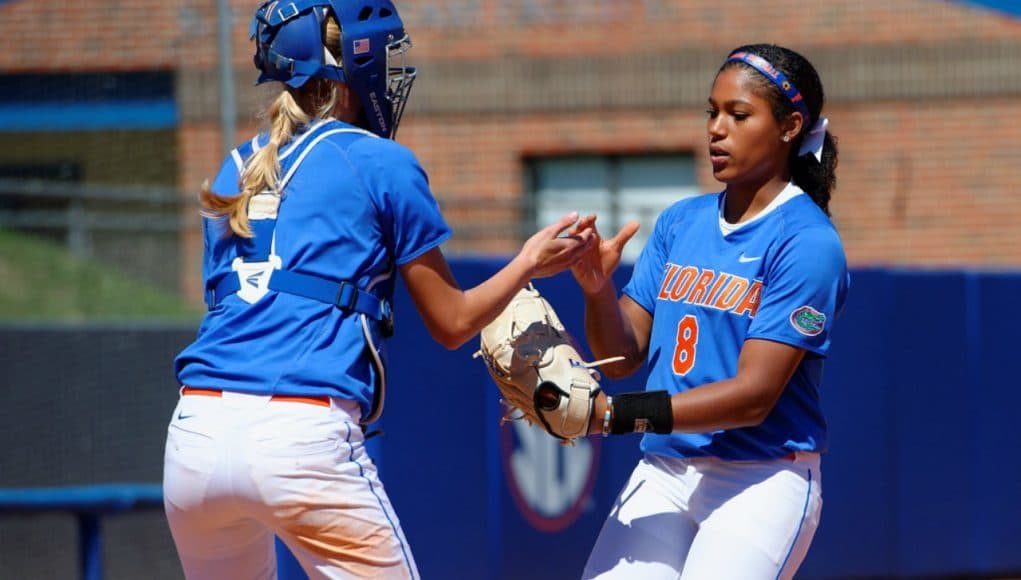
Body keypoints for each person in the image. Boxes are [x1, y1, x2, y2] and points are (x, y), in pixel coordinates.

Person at [162, 1, 594, 578]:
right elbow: (451, 322)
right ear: (347, 64)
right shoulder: (380, 162)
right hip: (301, 434)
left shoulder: (234, 168)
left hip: (196, 437)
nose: (392, 70)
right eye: (384, 53)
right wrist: (529, 262)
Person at [572, 44, 849, 579]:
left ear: (791, 126)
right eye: (712, 112)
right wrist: (597, 290)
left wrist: (611, 416)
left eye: (738, 115)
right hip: (665, 467)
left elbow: (753, 397)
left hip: (761, 477)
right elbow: (621, 355)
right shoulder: (682, 221)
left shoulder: (807, 241)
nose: (716, 129)